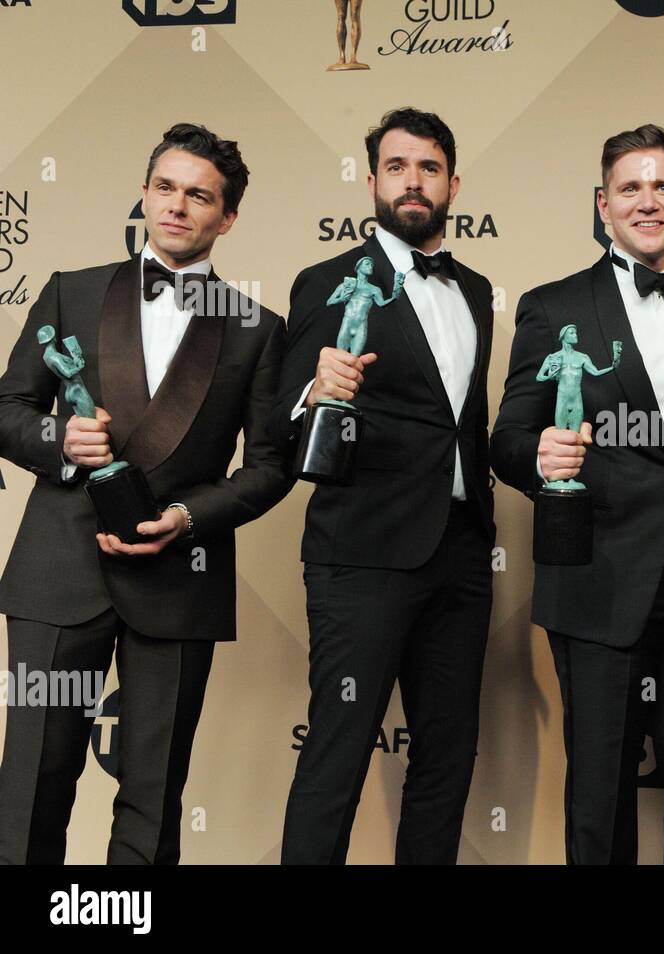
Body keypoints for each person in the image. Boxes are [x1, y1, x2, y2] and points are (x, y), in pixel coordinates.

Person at [0, 123, 290, 864]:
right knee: (30, 785)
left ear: (227, 217)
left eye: (198, 195)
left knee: (153, 796)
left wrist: (190, 517)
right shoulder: (72, 291)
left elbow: (269, 467)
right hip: (58, 572)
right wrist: (58, 441)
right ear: (145, 192)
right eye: (165, 187)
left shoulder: (257, 328)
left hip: (178, 576)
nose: (176, 206)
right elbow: (9, 410)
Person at [492, 125, 664, 864]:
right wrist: (537, 455)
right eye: (630, 188)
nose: (648, 201)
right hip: (596, 571)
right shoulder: (550, 306)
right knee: (601, 786)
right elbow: (508, 436)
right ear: (603, 205)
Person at [273, 107, 495, 865]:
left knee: (445, 759)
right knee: (338, 756)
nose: (413, 181)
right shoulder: (328, 281)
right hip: (362, 553)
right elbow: (277, 422)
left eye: (429, 167)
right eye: (397, 167)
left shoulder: (477, 289)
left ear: (453, 183)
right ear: (371, 182)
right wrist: (314, 388)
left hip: (462, 557)